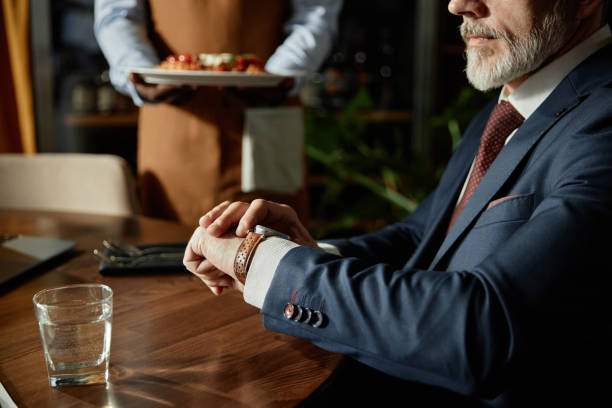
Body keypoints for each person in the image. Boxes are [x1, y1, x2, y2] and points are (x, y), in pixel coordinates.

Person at [183, 0, 612, 406]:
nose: (458, 5)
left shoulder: (601, 121)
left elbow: (487, 325)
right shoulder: (505, 111)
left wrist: (264, 264)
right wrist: (307, 253)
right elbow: (420, 238)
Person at [94, 0, 342, 225]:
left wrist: (277, 76)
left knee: (271, 247)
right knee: (167, 250)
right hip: (173, 121)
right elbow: (117, 15)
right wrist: (142, 74)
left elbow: (315, 16)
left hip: (267, 119)